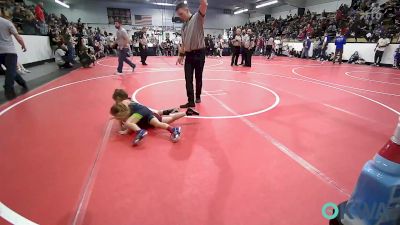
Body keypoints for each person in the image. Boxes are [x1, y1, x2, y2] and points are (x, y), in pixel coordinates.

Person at [176, 0, 208, 109]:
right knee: (188, 78)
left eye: (181, 14)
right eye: (178, 15)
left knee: (198, 77)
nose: (180, 17)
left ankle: (198, 96)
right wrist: (181, 55)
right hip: (189, 55)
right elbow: (184, 43)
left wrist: (203, 2)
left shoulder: (197, 18)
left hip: (199, 53)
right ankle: (190, 101)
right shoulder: (183, 27)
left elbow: (204, 5)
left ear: (186, 10)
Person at [110, 100, 182, 145]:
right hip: (147, 115)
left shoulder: (127, 109)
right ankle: (174, 129)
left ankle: (140, 132)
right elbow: (131, 124)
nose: (117, 119)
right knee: (158, 124)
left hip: (143, 112)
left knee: (128, 122)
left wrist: (126, 130)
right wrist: (126, 130)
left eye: (117, 117)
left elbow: (129, 123)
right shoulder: (124, 111)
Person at [0, 16, 28, 100]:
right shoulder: (7, 22)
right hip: (9, 51)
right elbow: (17, 36)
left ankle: (22, 83)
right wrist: (23, 45)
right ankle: (8, 90)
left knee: (11, 70)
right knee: (11, 70)